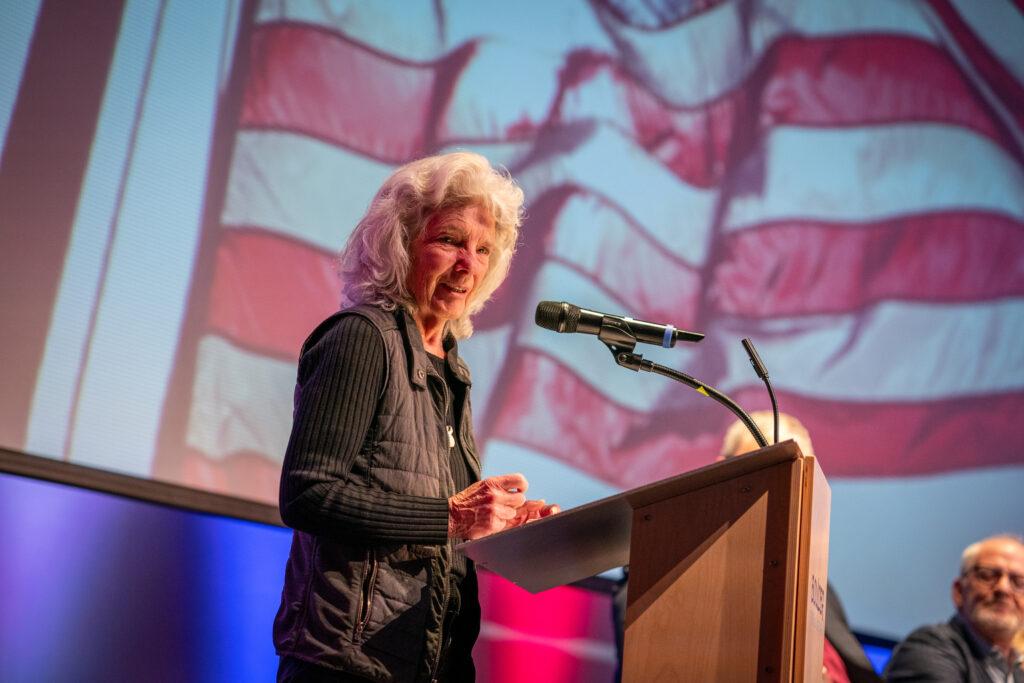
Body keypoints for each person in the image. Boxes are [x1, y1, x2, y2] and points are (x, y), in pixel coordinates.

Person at [273, 151, 559, 682]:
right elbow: (307, 494)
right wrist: (452, 518)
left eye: (482, 250)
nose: (467, 264)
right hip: (350, 664)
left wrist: (500, 527)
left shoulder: (450, 366)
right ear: (399, 244)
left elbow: (431, 505)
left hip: (428, 663)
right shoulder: (363, 338)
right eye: (449, 240)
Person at [611, 411, 879, 683]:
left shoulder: (819, 587)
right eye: (758, 478)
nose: (773, 495)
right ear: (720, 472)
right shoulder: (663, 573)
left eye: (790, 480)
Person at [885, 534, 1024, 682]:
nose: (1003, 588)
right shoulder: (929, 647)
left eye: (1019, 582)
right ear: (958, 591)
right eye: (987, 575)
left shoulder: (1016, 670)